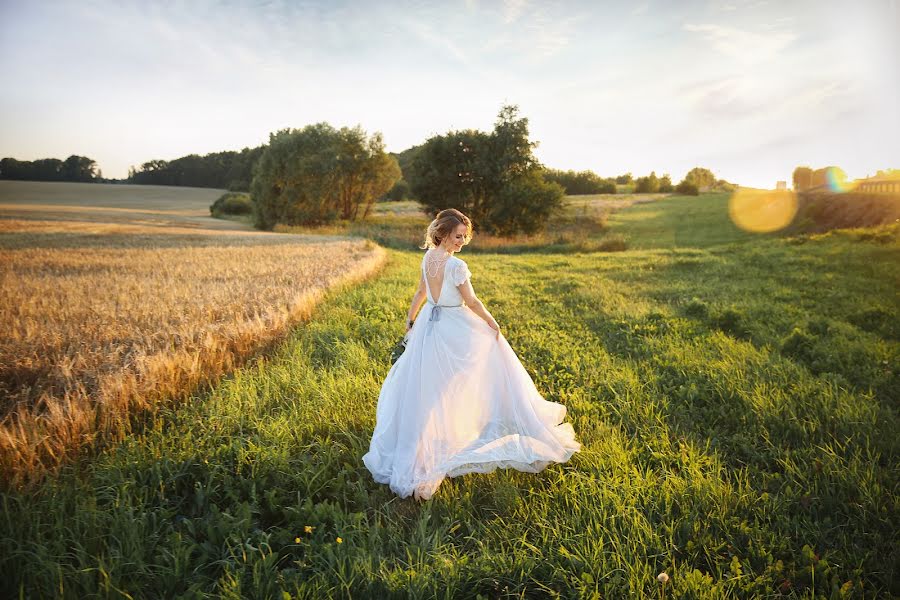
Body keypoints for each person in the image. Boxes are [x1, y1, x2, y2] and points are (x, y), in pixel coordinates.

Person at [362, 208, 581, 501]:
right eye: (457, 236)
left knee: (428, 388)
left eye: (464, 237)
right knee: (453, 381)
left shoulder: (427, 259)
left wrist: (412, 320)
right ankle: (439, 441)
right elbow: (472, 301)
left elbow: (421, 295)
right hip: (452, 325)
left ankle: (434, 437)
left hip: (430, 324)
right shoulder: (456, 266)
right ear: (443, 234)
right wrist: (492, 322)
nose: (461, 241)